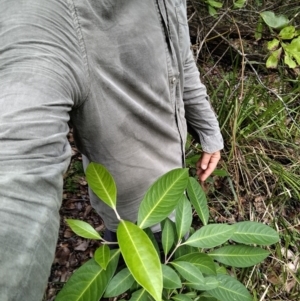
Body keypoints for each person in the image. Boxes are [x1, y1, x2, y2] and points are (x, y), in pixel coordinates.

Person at [0, 0, 223, 300]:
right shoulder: (48, 11)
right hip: (129, 215)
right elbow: (17, 157)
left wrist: (209, 131)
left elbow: (180, 58)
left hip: (176, 191)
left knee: (169, 276)